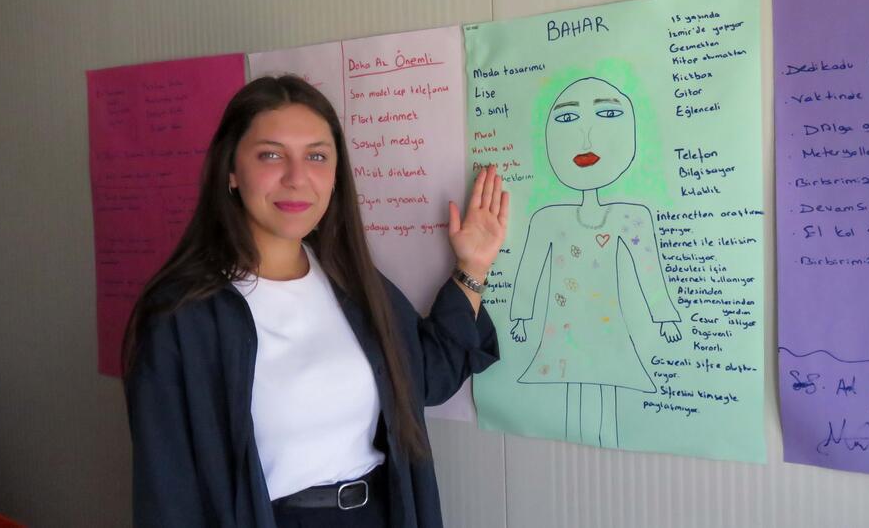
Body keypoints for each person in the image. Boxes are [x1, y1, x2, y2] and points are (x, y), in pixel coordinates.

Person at [123, 75, 509, 527]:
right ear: (231, 170)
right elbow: (168, 493)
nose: (297, 177)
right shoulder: (182, 315)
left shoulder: (351, 282)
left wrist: (473, 268)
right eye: (270, 155)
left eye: (317, 156)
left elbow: (421, 378)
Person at [509, 77, 680, 448]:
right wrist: (521, 316)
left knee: (605, 381)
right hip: (563, 322)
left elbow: (647, 266)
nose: (585, 137)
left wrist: (663, 315)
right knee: (571, 387)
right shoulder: (547, 218)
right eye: (567, 120)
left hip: (608, 323)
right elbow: (530, 269)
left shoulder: (630, 216)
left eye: (607, 114)